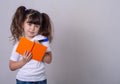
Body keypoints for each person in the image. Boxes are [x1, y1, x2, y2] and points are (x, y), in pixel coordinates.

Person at [9, 6, 53, 84]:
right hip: (23, 79)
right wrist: (24, 61)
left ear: (40, 27)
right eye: (29, 24)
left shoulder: (42, 40)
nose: (32, 28)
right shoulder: (19, 44)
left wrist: (39, 50)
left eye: (36, 26)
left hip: (40, 79)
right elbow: (11, 67)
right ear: (22, 24)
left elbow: (49, 60)